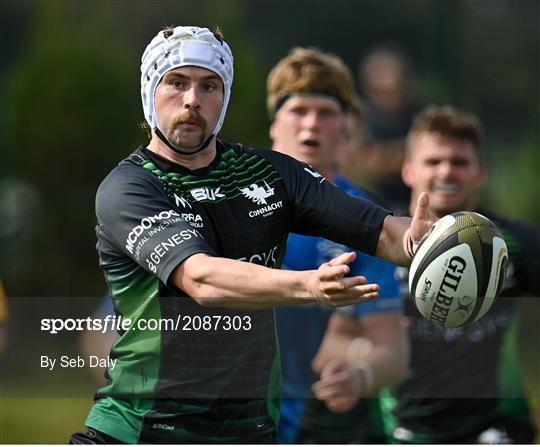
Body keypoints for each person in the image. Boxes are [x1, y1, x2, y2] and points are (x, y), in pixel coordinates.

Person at [71, 26, 434, 444]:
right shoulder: (130, 187)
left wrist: (426, 242)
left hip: (248, 432)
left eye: (209, 86)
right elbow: (201, 280)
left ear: (223, 99)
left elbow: (383, 232)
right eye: (176, 82)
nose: (192, 100)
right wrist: (308, 285)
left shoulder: (271, 174)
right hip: (144, 430)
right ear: (149, 90)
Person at [266, 47, 407, 444]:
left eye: (325, 113)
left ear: (345, 128)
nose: (311, 123)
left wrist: (360, 376)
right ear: (274, 125)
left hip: (324, 430)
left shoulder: (368, 223)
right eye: (298, 110)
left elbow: (392, 349)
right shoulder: (228, 206)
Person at [377, 105, 539, 444]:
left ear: (480, 173)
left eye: (460, 162)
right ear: (408, 170)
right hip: (401, 430)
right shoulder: (378, 243)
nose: (447, 172)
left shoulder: (514, 244)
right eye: (434, 161)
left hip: (498, 427)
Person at [356, 45, 420, 212]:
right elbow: (368, 165)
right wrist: (413, 151)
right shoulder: (360, 120)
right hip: (370, 207)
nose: (388, 99)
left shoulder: (417, 117)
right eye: (381, 92)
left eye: (394, 91)